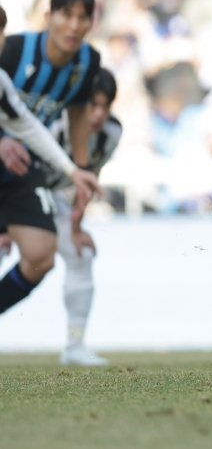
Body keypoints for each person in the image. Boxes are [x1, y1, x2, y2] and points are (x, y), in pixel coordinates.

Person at [0, 0, 102, 321]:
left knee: (41, 255)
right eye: (66, 14)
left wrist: (77, 168)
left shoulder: (86, 63)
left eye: (82, 17)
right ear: (48, 17)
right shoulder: (14, 51)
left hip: (24, 164)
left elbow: (30, 123)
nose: (73, 25)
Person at [41, 69, 121, 365]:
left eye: (105, 106)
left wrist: (76, 226)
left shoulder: (111, 133)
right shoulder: (55, 121)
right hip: (14, 196)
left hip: (52, 198)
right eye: (92, 104)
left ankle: (74, 347)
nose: (98, 113)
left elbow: (90, 178)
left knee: (82, 255)